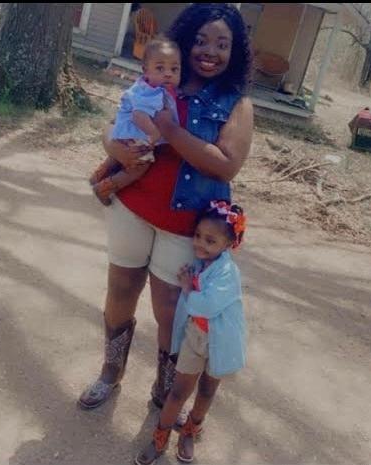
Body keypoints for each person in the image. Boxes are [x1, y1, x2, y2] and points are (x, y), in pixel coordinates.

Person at [78, 3, 253, 418]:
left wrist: (170, 129)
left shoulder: (236, 104)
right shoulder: (158, 78)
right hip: (132, 207)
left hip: (184, 225)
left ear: (234, 52)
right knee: (120, 290)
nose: (210, 51)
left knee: (170, 311)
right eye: (202, 40)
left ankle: (165, 386)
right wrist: (111, 143)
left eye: (222, 44)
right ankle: (110, 371)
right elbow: (118, 121)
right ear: (186, 40)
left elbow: (226, 165)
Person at [135, 200, 247, 465]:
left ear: (228, 244)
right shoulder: (199, 264)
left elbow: (207, 306)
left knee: (207, 391)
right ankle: (159, 437)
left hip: (220, 342)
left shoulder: (228, 272)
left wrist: (187, 288)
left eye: (210, 240)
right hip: (194, 339)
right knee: (178, 392)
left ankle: (190, 431)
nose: (200, 244)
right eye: (197, 236)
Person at [90, 36, 181, 205]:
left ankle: (98, 174)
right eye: (160, 68)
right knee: (138, 167)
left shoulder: (144, 85)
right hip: (135, 134)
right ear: (146, 70)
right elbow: (139, 115)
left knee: (118, 157)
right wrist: (154, 134)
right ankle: (104, 188)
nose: (168, 74)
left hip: (124, 131)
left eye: (174, 69)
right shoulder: (153, 93)